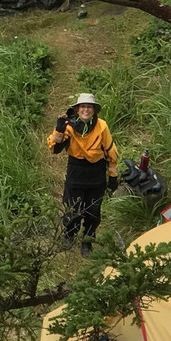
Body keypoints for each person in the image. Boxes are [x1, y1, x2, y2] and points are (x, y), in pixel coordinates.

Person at [47, 92, 119, 257]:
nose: (86, 110)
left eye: (89, 107)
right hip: (76, 171)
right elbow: (54, 148)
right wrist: (59, 128)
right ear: (77, 109)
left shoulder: (102, 126)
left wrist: (113, 177)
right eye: (83, 107)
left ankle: (87, 241)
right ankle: (69, 235)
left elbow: (111, 152)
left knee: (93, 211)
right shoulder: (69, 126)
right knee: (72, 208)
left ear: (94, 110)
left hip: (96, 174)